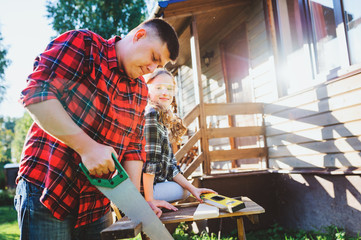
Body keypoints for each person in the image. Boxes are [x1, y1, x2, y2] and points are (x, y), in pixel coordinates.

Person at [14, 18, 179, 240]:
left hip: (97, 206)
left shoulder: (140, 90)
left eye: (158, 66)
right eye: (153, 58)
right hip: (48, 188)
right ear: (139, 36)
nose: (151, 68)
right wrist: (87, 148)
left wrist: (137, 202)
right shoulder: (84, 45)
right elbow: (37, 93)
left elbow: (134, 146)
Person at [142, 69, 216, 214]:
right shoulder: (151, 114)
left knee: (186, 190)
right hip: (143, 190)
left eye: (169, 88)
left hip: (155, 183)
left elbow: (170, 166)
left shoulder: (161, 116)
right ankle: (149, 199)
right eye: (158, 87)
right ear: (147, 90)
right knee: (183, 192)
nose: (165, 92)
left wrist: (193, 189)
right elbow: (150, 163)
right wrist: (149, 200)